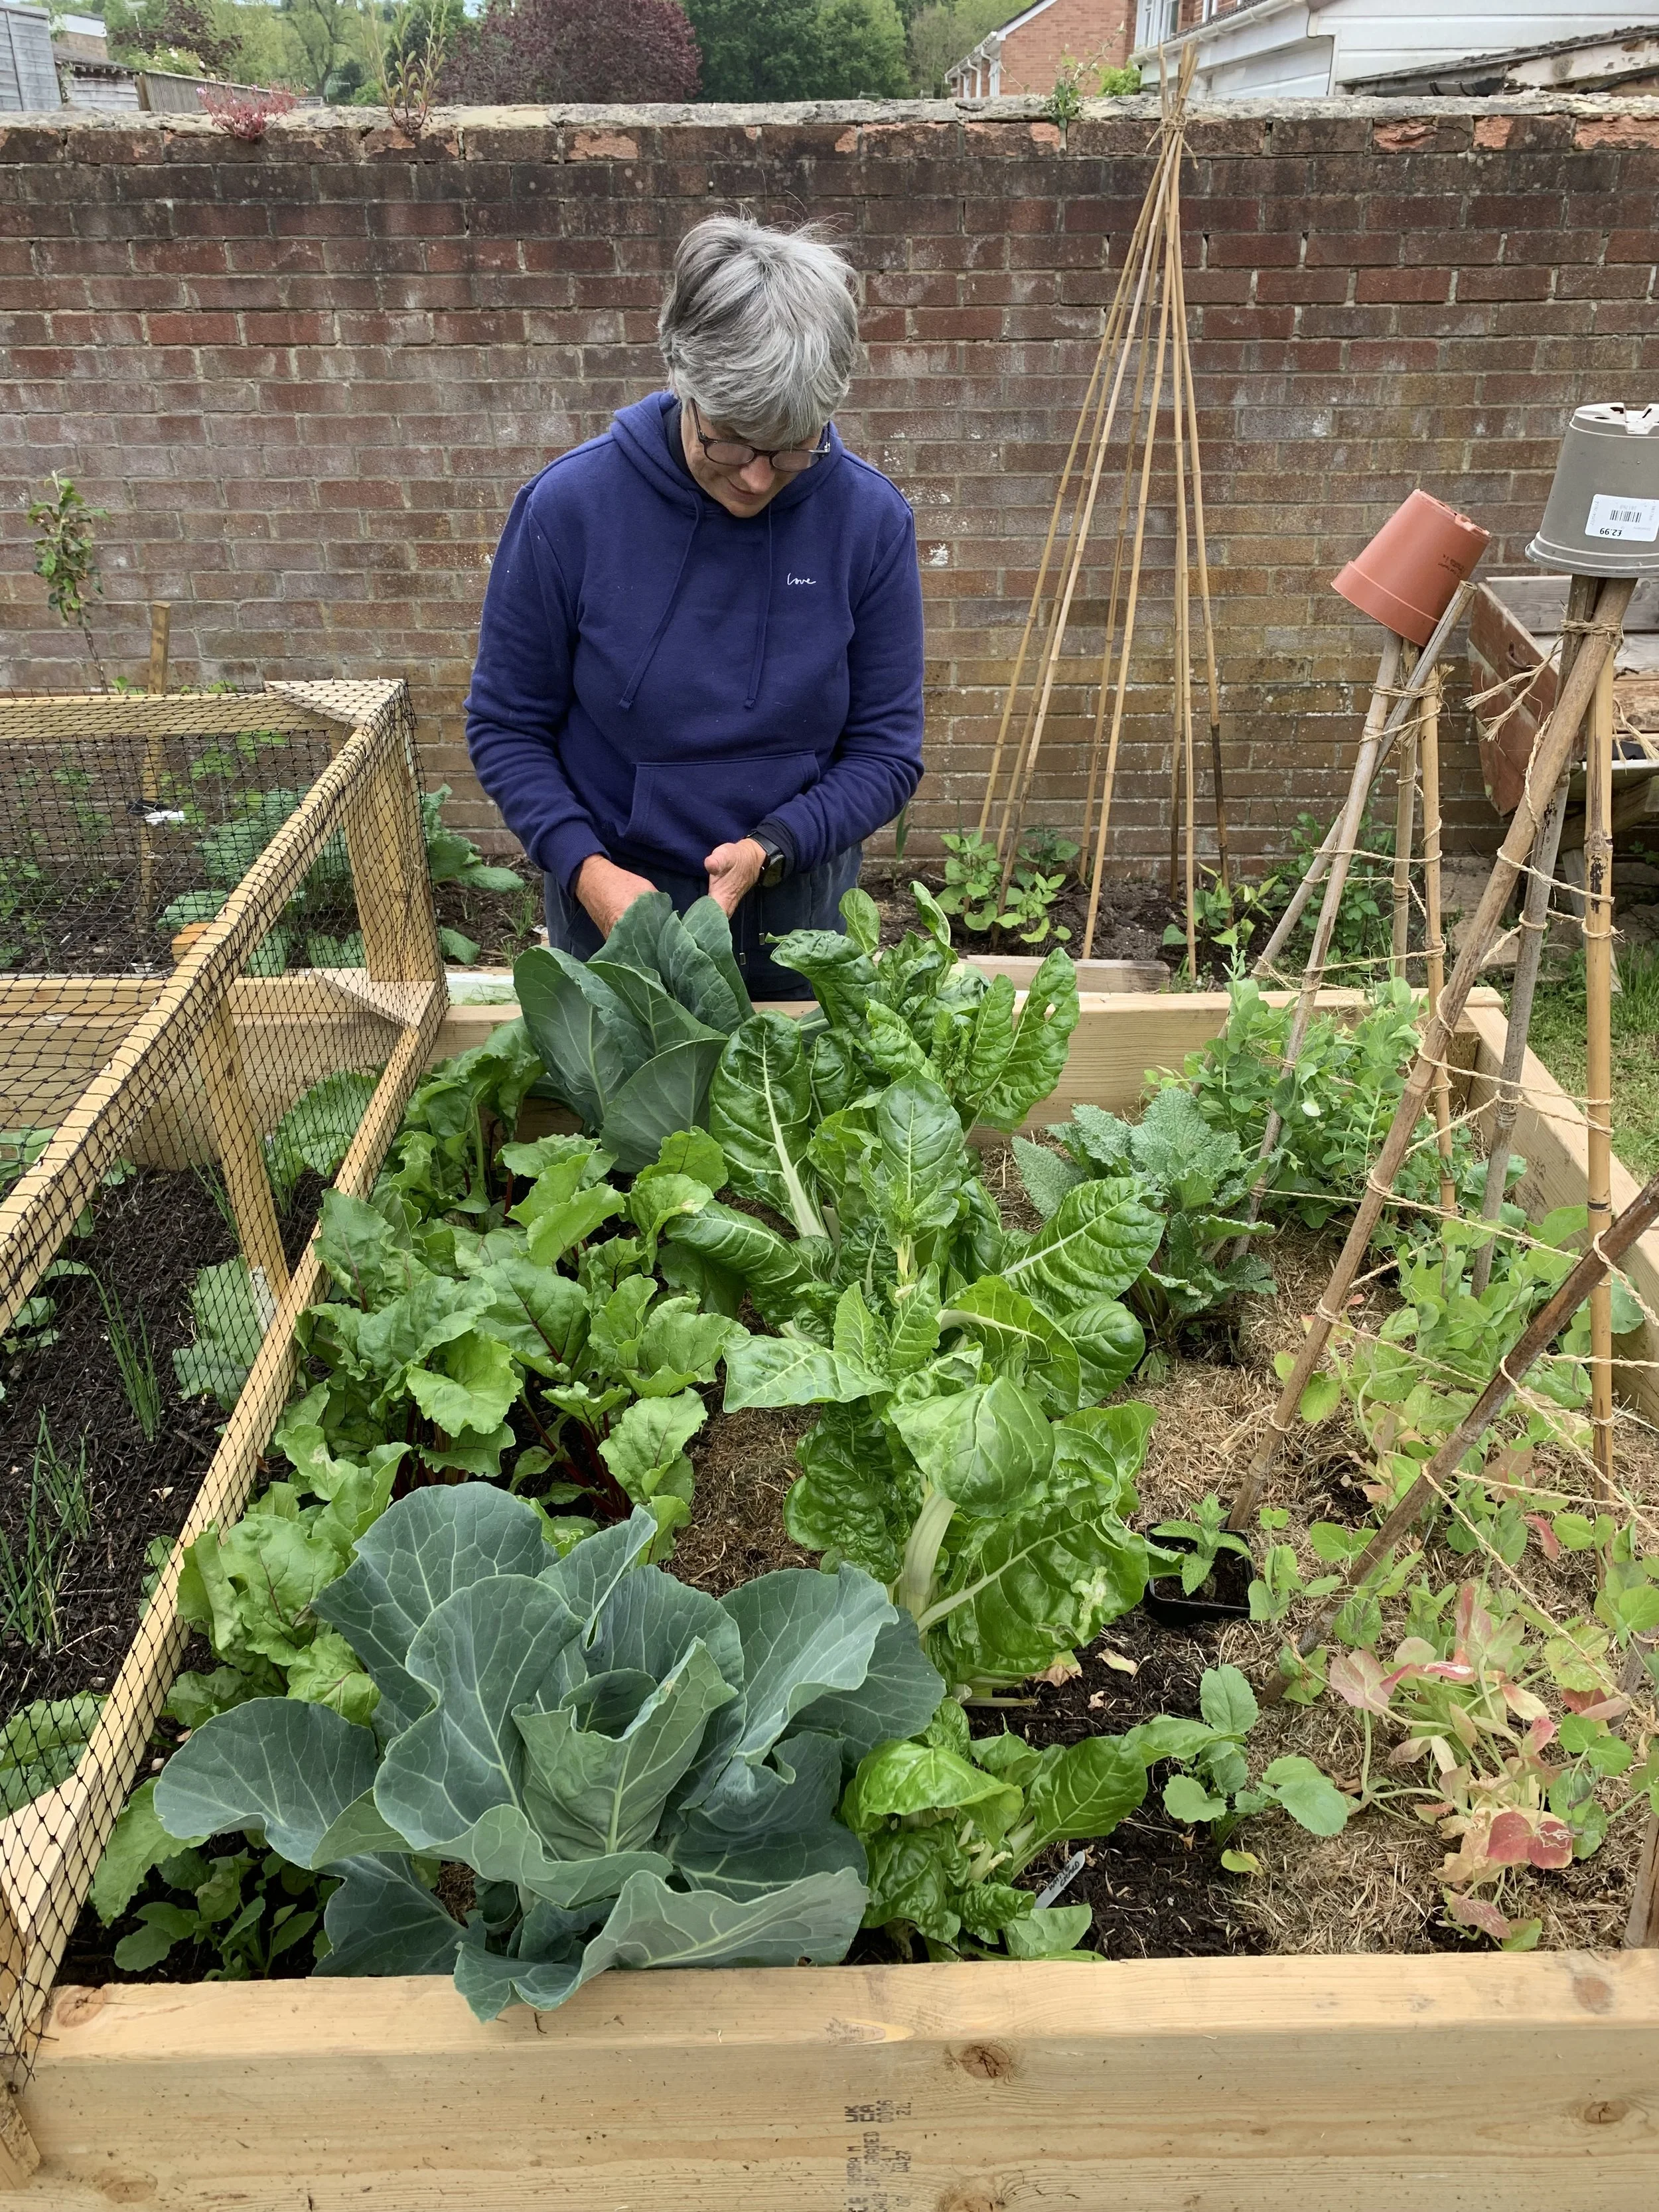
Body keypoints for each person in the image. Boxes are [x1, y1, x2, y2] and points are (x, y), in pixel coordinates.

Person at [464, 215, 926, 999]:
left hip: (801, 917)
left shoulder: (869, 522)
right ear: (684, 382)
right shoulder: (568, 510)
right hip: (618, 916)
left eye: (789, 449)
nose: (755, 478)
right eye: (733, 442)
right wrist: (585, 869)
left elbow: (886, 751)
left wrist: (776, 846)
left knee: (795, 1118)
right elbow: (507, 727)